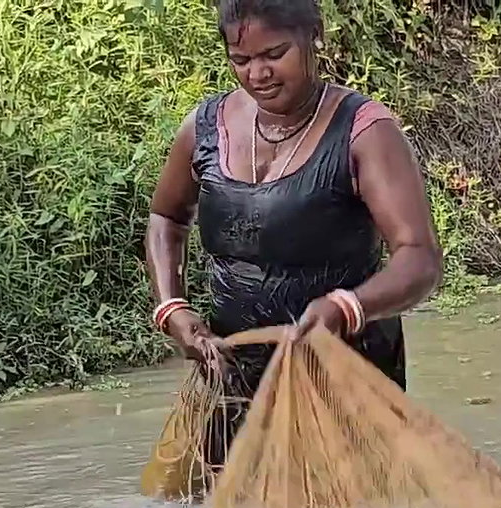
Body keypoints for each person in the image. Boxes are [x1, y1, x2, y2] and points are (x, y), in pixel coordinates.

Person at [142, 0, 444, 472]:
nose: (257, 73)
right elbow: (166, 218)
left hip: (344, 374)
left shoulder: (363, 132)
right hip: (232, 374)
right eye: (241, 61)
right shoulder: (205, 128)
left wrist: (345, 308)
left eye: (275, 54)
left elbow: (419, 257)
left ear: (313, 36)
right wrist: (171, 308)